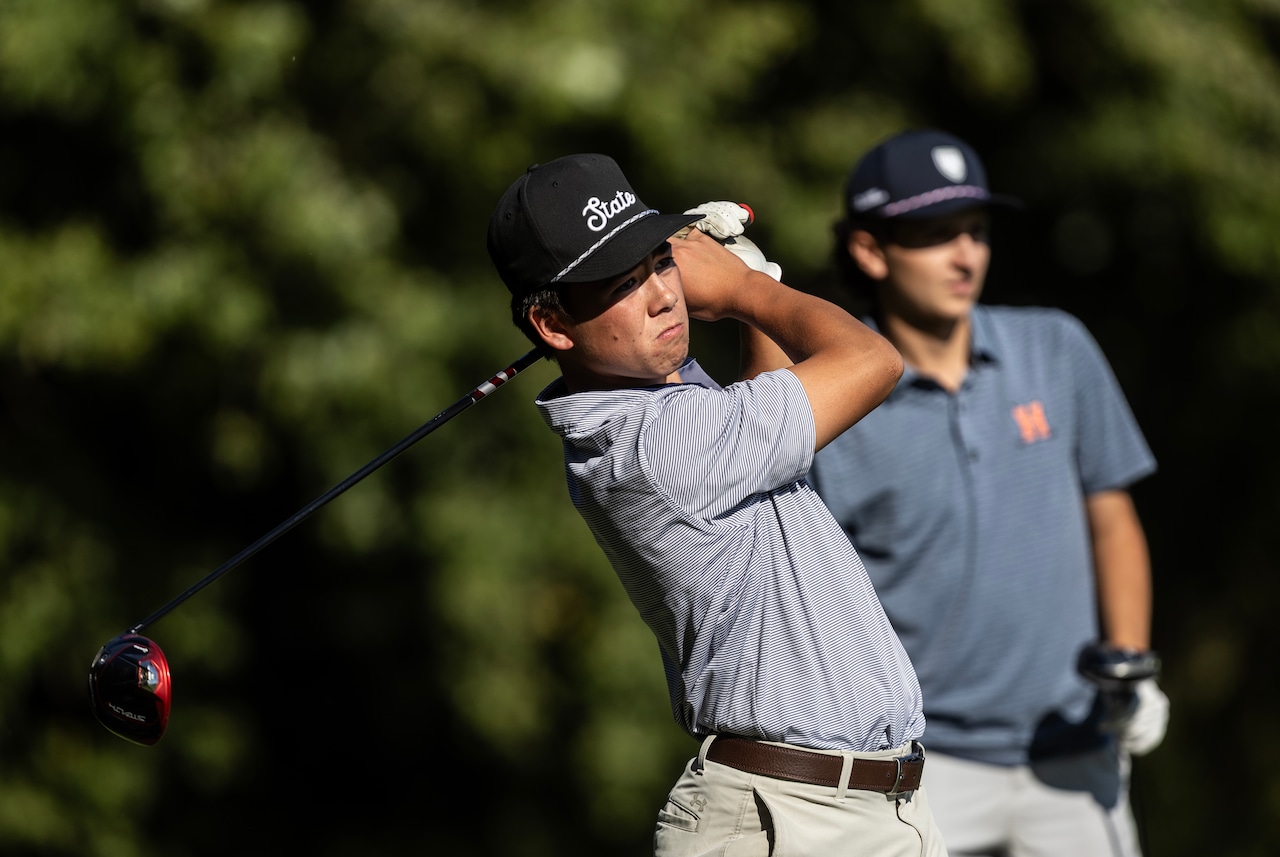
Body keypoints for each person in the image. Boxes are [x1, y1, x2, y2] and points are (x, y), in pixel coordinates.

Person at [486, 152, 948, 857]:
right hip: (785, 822)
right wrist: (741, 291)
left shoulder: (656, 395)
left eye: (659, 261)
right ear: (552, 325)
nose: (662, 296)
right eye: (621, 283)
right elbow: (873, 360)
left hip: (855, 811)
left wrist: (754, 282)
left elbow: (770, 446)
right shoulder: (652, 443)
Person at [806, 128, 1170, 857]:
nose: (966, 254)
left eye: (975, 231)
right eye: (935, 235)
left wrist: (1131, 663)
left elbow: (1112, 517)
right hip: (913, 764)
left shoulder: (1057, 348)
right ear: (871, 251)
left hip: (1069, 751)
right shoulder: (833, 401)